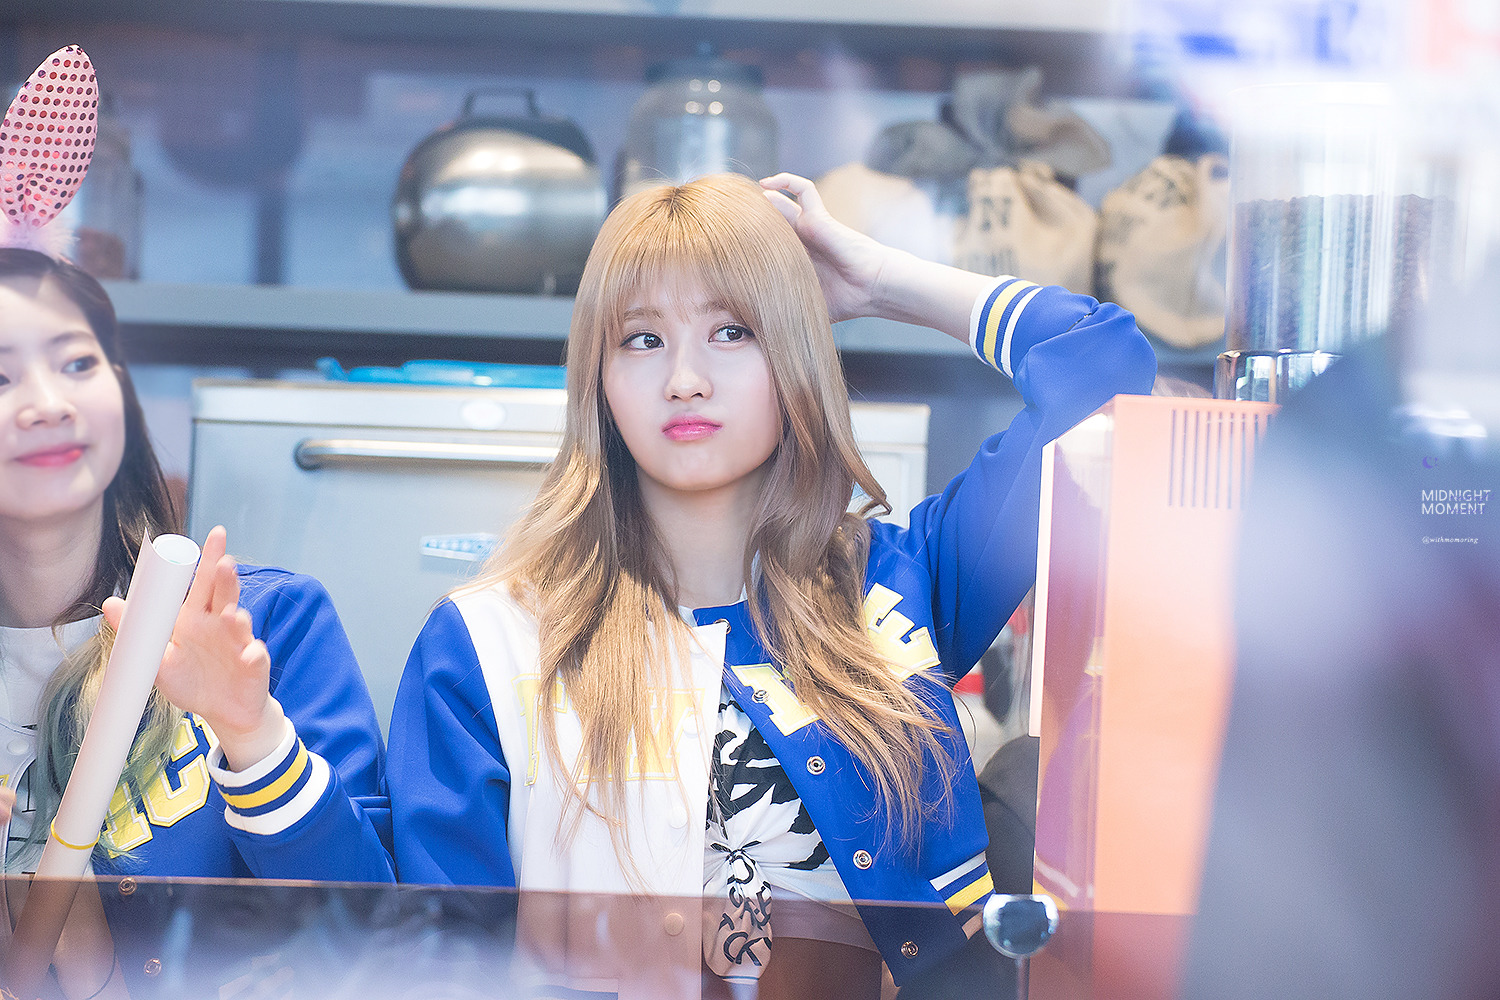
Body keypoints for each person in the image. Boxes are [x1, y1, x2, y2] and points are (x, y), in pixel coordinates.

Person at [387, 172, 1156, 997]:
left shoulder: (903, 585)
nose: (685, 378)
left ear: (793, 355)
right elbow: (437, 968)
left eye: (733, 331)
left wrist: (878, 284)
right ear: (597, 380)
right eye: (642, 339)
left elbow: (1104, 364)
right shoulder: (488, 643)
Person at [0, 248, 394, 995]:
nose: (48, 403)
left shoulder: (263, 627)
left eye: (78, 363)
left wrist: (253, 735)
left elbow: (374, 945)